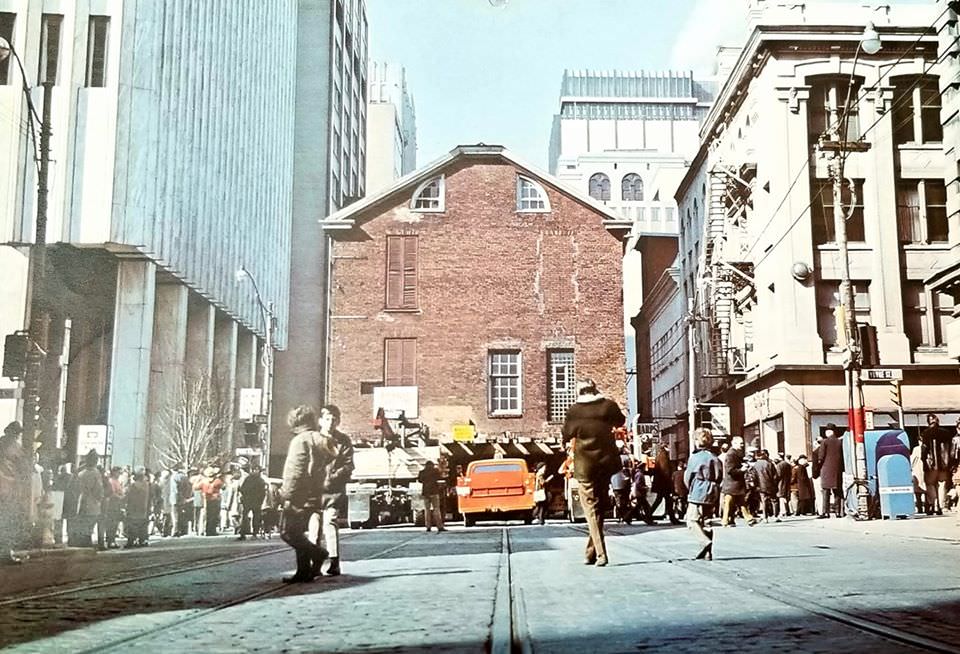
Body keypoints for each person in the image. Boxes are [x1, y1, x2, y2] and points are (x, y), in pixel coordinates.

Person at [561, 378, 625, 567]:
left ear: (579, 392)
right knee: (598, 509)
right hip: (606, 463)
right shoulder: (608, 406)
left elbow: (566, 434)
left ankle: (601, 554)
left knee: (591, 509)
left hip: (585, 466)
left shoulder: (574, 411)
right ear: (595, 389)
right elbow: (620, 421)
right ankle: (591, 552)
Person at [279, 405, 331, 583]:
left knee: (288, 532)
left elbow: (295, 471)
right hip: (315, 492)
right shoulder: (319, 439)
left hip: (298, 495)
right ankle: (304, 571)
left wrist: (287, 495)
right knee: (298, 532)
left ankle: (318, 554)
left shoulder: (300, 441)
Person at [316, 404, 354, 577]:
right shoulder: (313, 439)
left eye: (333, 419)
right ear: (320, 420)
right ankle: (314, 562)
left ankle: (334, 562)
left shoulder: (343, 440)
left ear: (338, 421)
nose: (330, 422)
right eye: (327, 419)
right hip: (314, 490)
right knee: (314, 526)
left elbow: (348, 465)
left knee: (330, 523)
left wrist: (332, 477)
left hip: (333, 491)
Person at [684, 428, 723, 561]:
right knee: (707, 522)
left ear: (696, 441)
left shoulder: (694, 457)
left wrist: (689, 488)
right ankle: (707, 553)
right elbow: (719, 476)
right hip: (712, 490)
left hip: (698, 489)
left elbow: (688, 476)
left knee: (692, 520)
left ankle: (704, 542)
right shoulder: (715, 458)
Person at [0, 428, 28, 564]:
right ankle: (5, 553)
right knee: (8, 523)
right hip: (8, 490)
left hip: (6, 489)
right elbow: (23, 466)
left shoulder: (4, 444)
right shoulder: (14, 447)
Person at [920, 413, 954, 515]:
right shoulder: (946, 433)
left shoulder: (925, 433)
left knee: (930, 485)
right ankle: (941, 506)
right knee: (942, 484)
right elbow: (951, 451)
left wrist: (925, 462)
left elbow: (924, 450)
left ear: (928, 422)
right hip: (944, 465)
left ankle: (934, 505)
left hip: (931, 465)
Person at [73, 450, 105, 550]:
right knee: (90, 525)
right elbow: (99, 489)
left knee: (83, 525)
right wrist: (100, 498)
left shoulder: (81, 474)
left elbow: (76, 489)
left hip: (82, 501)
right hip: (93, 502)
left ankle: (83, 543)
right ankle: (88, 544)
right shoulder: (96, 474)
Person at [721, 437, 755, 527]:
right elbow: (730, 470)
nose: (742, 445)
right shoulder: (731, 454)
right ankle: (726, 520)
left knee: (738, 502)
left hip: (734, 483)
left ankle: (731, 520)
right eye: (740, 443)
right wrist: (742, 470)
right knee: (731, 503)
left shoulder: (736, 453)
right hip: (732, 483)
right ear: (734, 443)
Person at [814, 426, 844, 518]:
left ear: (829, 432)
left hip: (826, 470)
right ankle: (838, 512)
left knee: (826, 492)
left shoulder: (825, 442)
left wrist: (818, 469)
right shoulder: (839, 442)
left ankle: (825, 512)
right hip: (837, 471)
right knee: (837, 492)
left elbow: (821, 457)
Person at [650, 445, 679, 524]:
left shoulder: (660, 455)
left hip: (661, 483)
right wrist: (669, 482)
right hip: (663, 483)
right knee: (667, 500)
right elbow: (665, 471)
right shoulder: (664, 456)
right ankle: (672, 518)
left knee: (662, 500)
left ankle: (648, 516)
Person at [124, 468, 151, 547]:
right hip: (143, 507)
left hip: (134, 507)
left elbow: (129, 496)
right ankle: (142, 540)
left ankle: (131, 540)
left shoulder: (133, 486)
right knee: (142, 524)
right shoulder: (146, 485)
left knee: (133, 524)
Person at [238, 466, 267, 540]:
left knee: (246, 517)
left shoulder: (248, 479)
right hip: (255, 502)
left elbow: (242, 489)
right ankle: (253, 533)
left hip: (249, 501)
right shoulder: (260, 480)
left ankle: (244, 534)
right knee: (254, 518)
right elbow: (263, 493)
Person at [418, 460, 445, 532]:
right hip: (434, 492)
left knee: (427, 510)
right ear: (432, 465)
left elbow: (420, 480)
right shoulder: (435, 471)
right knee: (436, 509)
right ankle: (439, 526)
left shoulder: (422, 472)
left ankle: (428, 527)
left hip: (426, 493)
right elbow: (440, 477)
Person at [753, 449, 779, 522]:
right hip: (770, 485)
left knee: (764, 501)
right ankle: (775, 516)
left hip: (761, 485)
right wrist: (775, 483)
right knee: (774, 500)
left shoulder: (756, 465)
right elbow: (775, 476)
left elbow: (754, 476)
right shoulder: (769, 464)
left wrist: (756, 485)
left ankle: (765, 517)